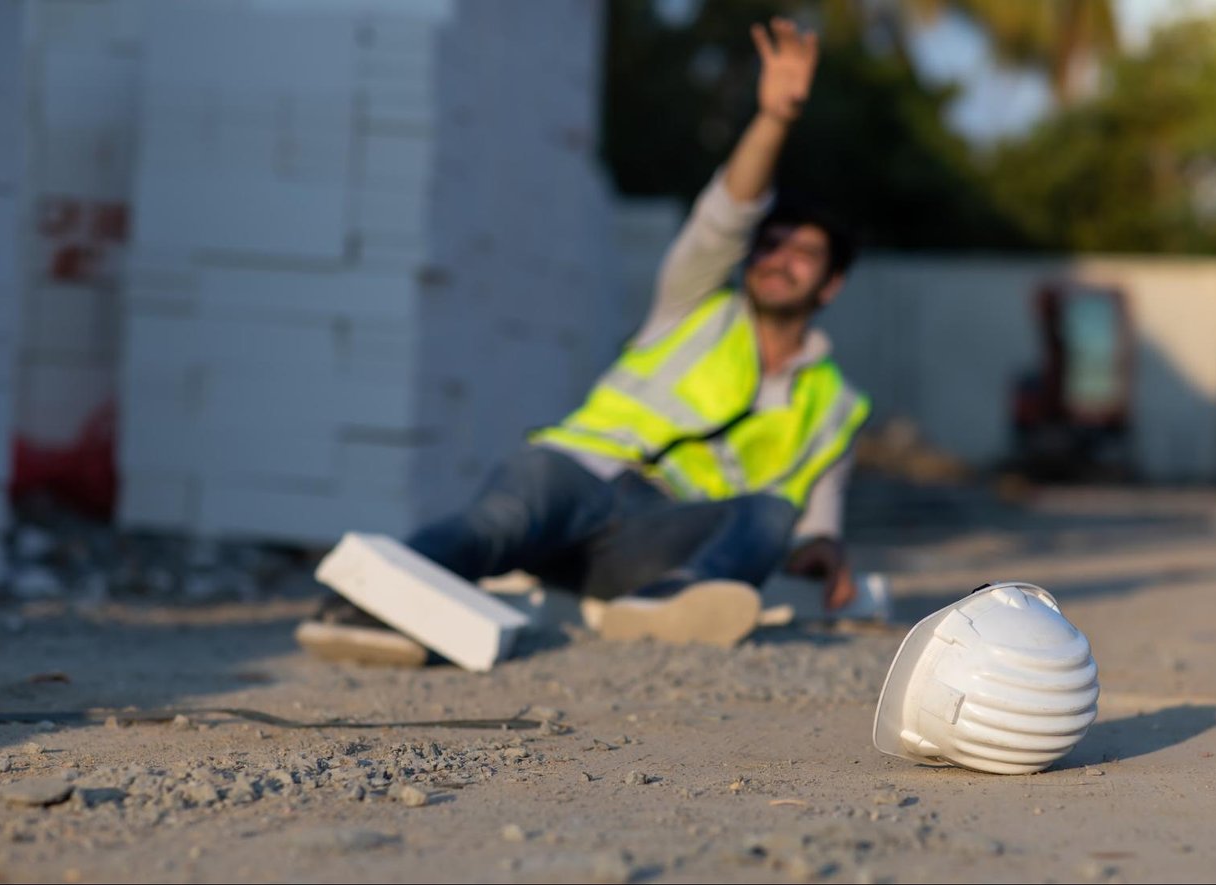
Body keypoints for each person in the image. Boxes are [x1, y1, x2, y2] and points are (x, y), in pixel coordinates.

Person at [299, 18, 868, 660]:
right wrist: (773, 121)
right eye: (770, 244)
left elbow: (816, 521)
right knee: (496, 524)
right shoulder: (695, 301)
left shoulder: (836, 406)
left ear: (831, 285)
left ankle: (673, 604)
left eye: (803, 253)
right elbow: (727, 214)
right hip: (575, 475)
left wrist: (824, 552)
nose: (777, 257)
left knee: (769, 512)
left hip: (649, 542)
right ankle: (364, 605)